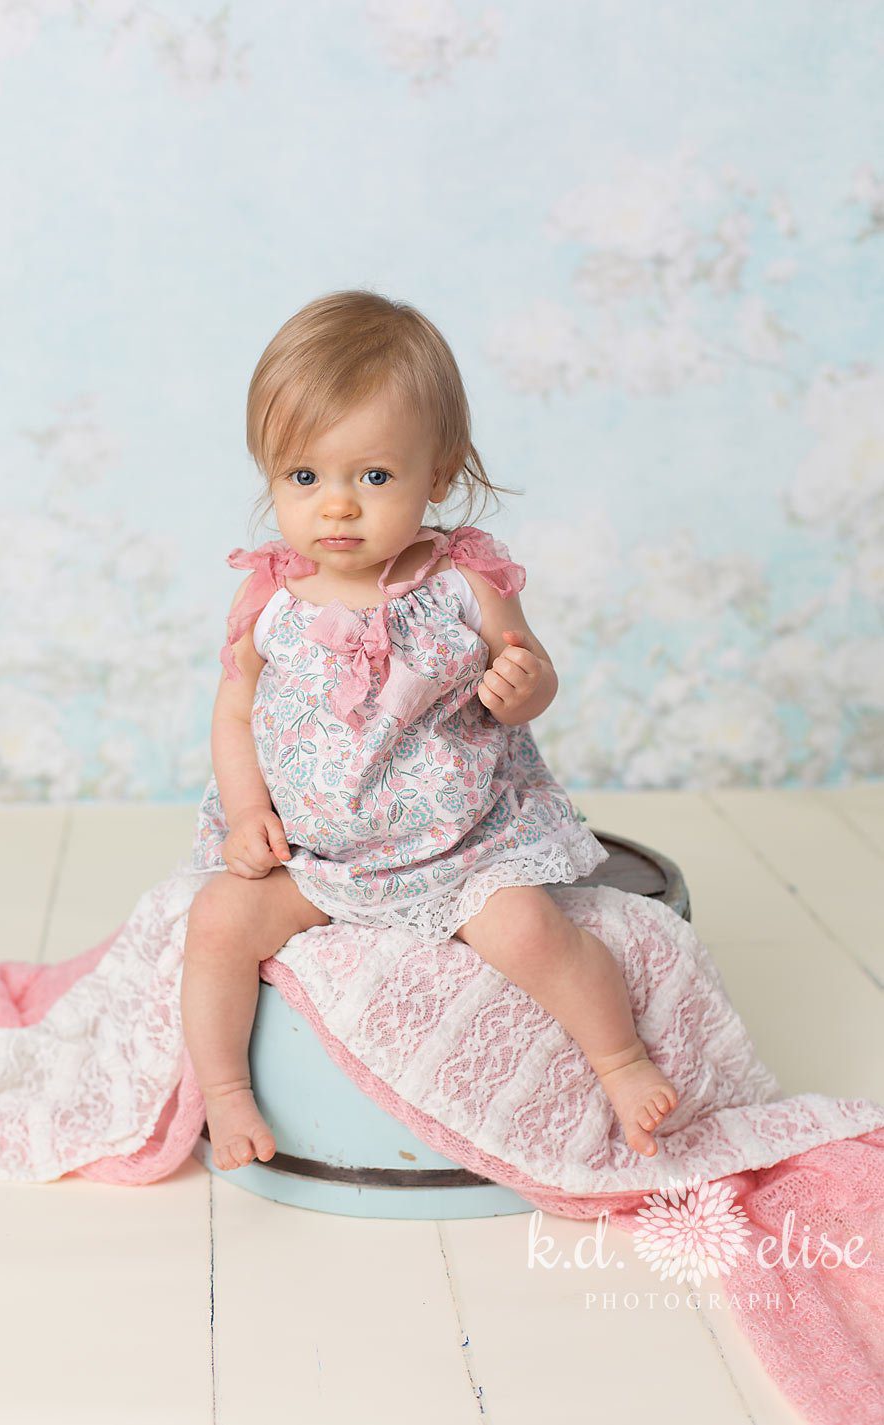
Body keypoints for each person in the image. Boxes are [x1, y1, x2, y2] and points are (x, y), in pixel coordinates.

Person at [182, 289, 679, 1173]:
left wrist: (523, 686)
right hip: (320, 853)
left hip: (459, 846)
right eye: (305, 478)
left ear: (439, 475)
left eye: (373, 477)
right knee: (219, 919)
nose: (336, 508)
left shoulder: (463, 582)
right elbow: (233, 709)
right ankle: (224, 1089)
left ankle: (621, 1057)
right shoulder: (269, 597)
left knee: (530, 933)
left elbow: (525, 680)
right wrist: (244, 808)